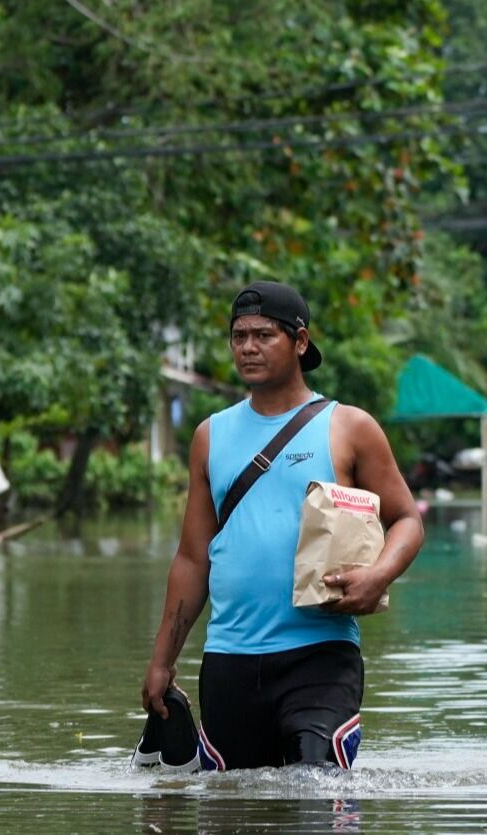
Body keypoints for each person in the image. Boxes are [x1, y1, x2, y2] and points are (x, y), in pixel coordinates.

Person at [140, 280, 424, 771]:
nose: (248, 347)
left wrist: (379, 575)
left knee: (315, 791)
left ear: (300, 341)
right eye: (238, 336)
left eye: (264, 335)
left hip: (320, 655)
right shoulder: (211, 435)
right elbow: (191, 558)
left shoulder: (349, 427)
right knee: (234, 813)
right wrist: (162, 661)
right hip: (229, 659)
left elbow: (406, 520)